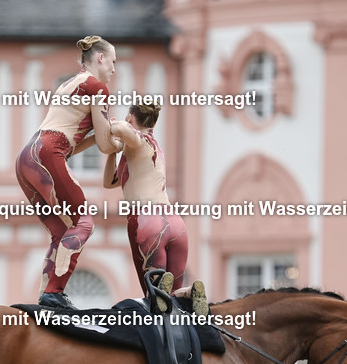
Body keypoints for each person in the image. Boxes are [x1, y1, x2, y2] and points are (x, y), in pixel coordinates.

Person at [16, 35, 119, 310]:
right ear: (100, 58)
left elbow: (78, 139)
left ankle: (45, 295)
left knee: (61, 232)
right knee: (84, 223)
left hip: (27, 155)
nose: (113, 69)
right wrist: (121, 138)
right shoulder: (97, 88)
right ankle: (54, 293)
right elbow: (106, 144)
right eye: (112, 61)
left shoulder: (68, 84)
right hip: (50, 151)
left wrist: (104, 133)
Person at [102, 102, 207, 314]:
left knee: (154, 300)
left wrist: (109, 126)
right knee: (170, 297)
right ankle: (190, 292)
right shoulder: (153, 147)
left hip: (147, 222)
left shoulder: (138, 140)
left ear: (131, 118)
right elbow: (109, 182)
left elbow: (124, 130)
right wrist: (114, 150)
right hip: (175, 224)